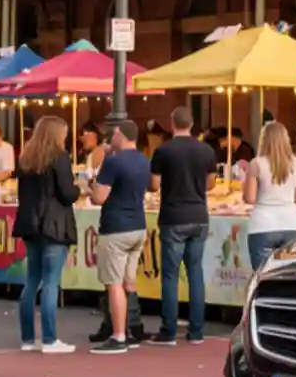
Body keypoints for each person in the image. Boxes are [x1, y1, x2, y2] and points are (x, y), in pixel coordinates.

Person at [11, 116, 79, 353]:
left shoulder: (26, 158)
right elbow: (67, 193)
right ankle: (49, 339)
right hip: (54, 223)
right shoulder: (59, 157)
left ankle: (28, 338)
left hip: (30, 223)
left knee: (31, 282)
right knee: (51, 282)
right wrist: (79, 188)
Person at [150, 106, 216, 345]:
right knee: (195, 272)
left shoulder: (163, 151)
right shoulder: (206, 150)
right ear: (192, 124)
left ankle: (168, 330)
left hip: (173, 216)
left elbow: (154, 185)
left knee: (170, 275)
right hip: (199, 214)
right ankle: (196, 331)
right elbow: (211, 184)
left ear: (172, 123)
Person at [89, 120, 151, 354]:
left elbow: (99, 197)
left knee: (114, 283)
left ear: (122, 136)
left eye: (114, 134)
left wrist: (91, 183)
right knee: (128, 282)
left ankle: (118, 335)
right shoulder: (144, 160)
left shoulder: (113, 162)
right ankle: (132, 328)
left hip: (116, 227)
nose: (110, 138)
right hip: (138, 225)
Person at [245, 121, 296, 270]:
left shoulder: (256, 164)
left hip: (263, 224)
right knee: (288, 273)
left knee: (262, 274)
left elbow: (250, 198)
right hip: (291, 223)